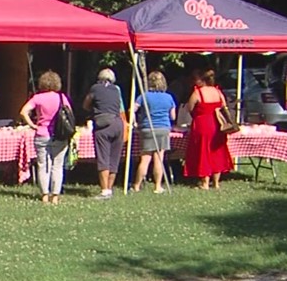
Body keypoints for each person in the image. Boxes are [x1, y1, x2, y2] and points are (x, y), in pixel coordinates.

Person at [20, 70, 73, 204]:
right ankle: (55, 196)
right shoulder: (62, 97)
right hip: (59, 135)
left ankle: (44, 195)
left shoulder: (37, 98)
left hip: (41, 134)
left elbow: (23, 112)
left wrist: (33, 125)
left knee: (42, 165)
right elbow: (69, 114)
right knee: (57, 166)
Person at [183, 69, 234, 190]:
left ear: (202, 80)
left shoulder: (198, 93)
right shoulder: (218, 91)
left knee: (203, 151)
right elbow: (223, 106)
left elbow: (189, 108)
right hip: (217, 124)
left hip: (202, 124)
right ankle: (216, 183)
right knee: (217, 151)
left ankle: (205, 182)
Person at [82, 68, 126, 200]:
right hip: (118, 124)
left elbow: (86, 104)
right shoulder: (117, 89)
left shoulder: (95, 88)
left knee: (103, 157)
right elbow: (121, 109)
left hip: (103, 124)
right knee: (114, 158)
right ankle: (110, 188)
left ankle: (104, 190)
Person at [132, 71, 177, 194]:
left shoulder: (144, 96)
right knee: (159, 159)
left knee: (145, 159)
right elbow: (173, 116)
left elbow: (133, 110)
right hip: (163, 129)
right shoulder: (169, 97)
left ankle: (136, 185)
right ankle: (157, 186)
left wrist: (135, 122)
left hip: (147, 128)